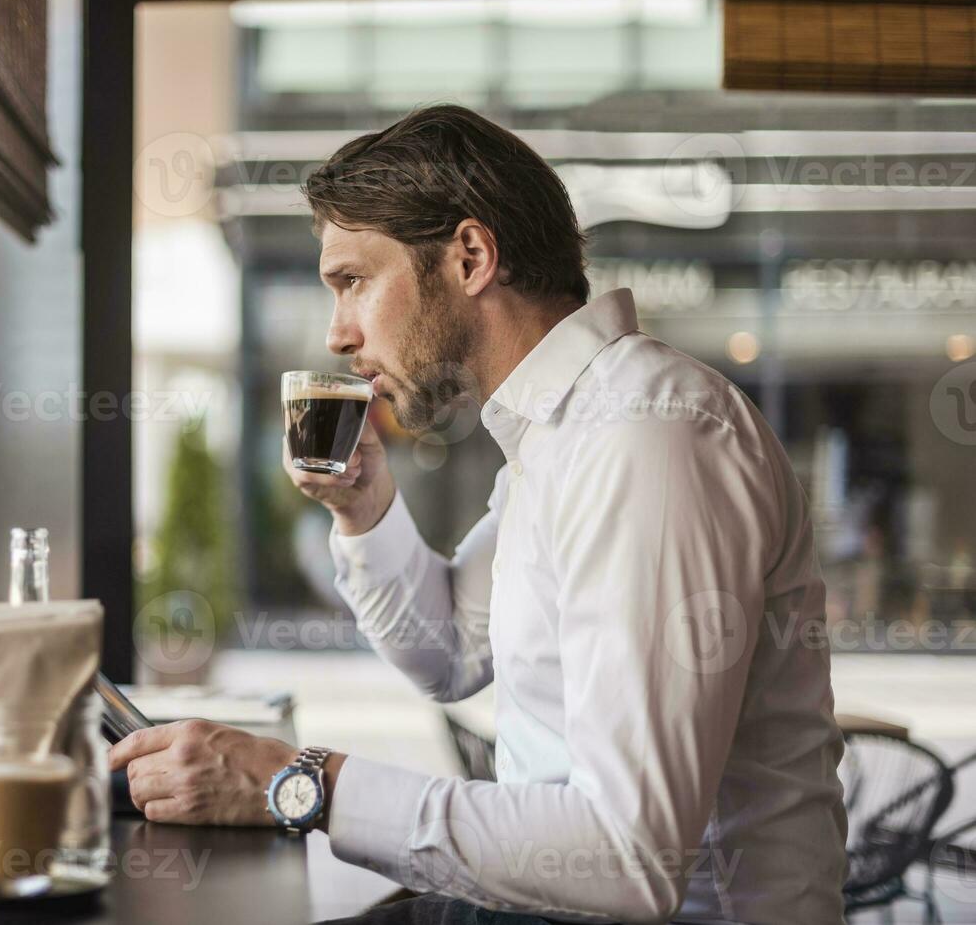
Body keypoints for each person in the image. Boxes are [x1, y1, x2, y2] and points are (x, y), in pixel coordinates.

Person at [109, 105, 848, 924]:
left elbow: (631, 859)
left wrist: (303, 784)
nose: (338, 334)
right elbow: (449, 654)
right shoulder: (560, 433)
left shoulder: (646, 434)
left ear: (469, 256)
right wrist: (362, 506)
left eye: (353, 281)